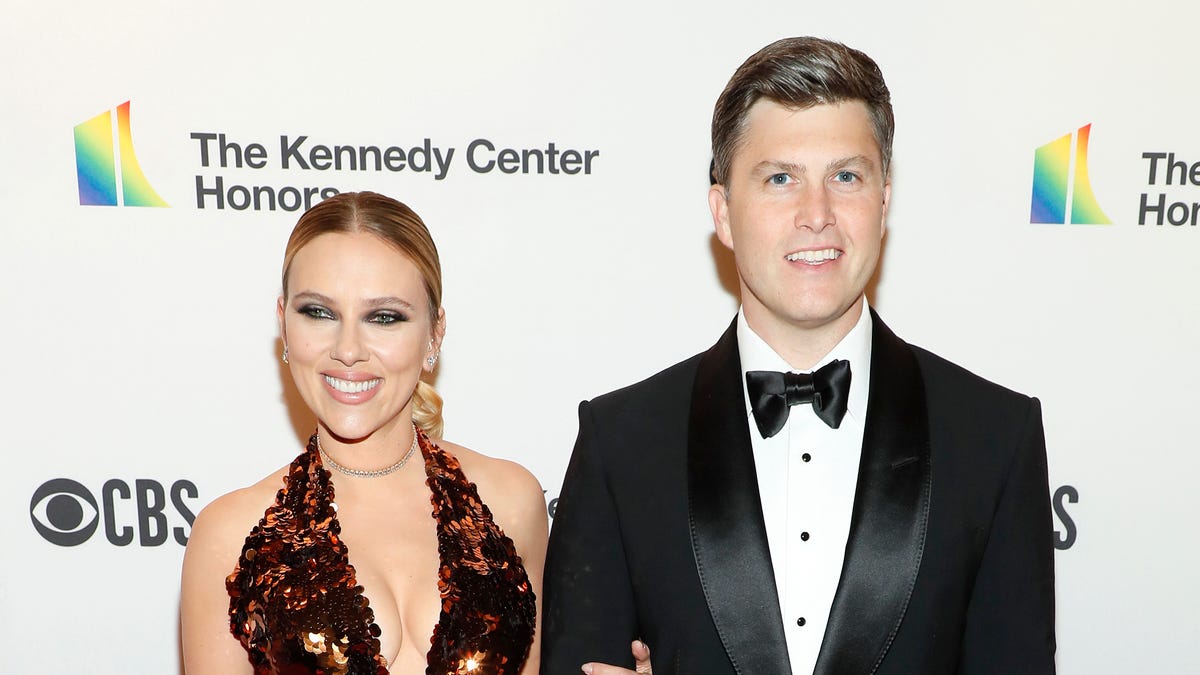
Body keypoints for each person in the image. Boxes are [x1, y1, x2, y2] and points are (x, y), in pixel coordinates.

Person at [542, 37, 1056, 675]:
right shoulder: (619, 442)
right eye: (780, 179)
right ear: (724, 213)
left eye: (846, 177)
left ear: (884, 201)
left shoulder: (994, 436)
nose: (817, 215)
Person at [181, 191, 547, 675]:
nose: (348, 349)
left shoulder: (511, 501)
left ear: (434, 335)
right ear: (283, 324)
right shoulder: (230, 535)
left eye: (384, 317)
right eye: (319, 312)